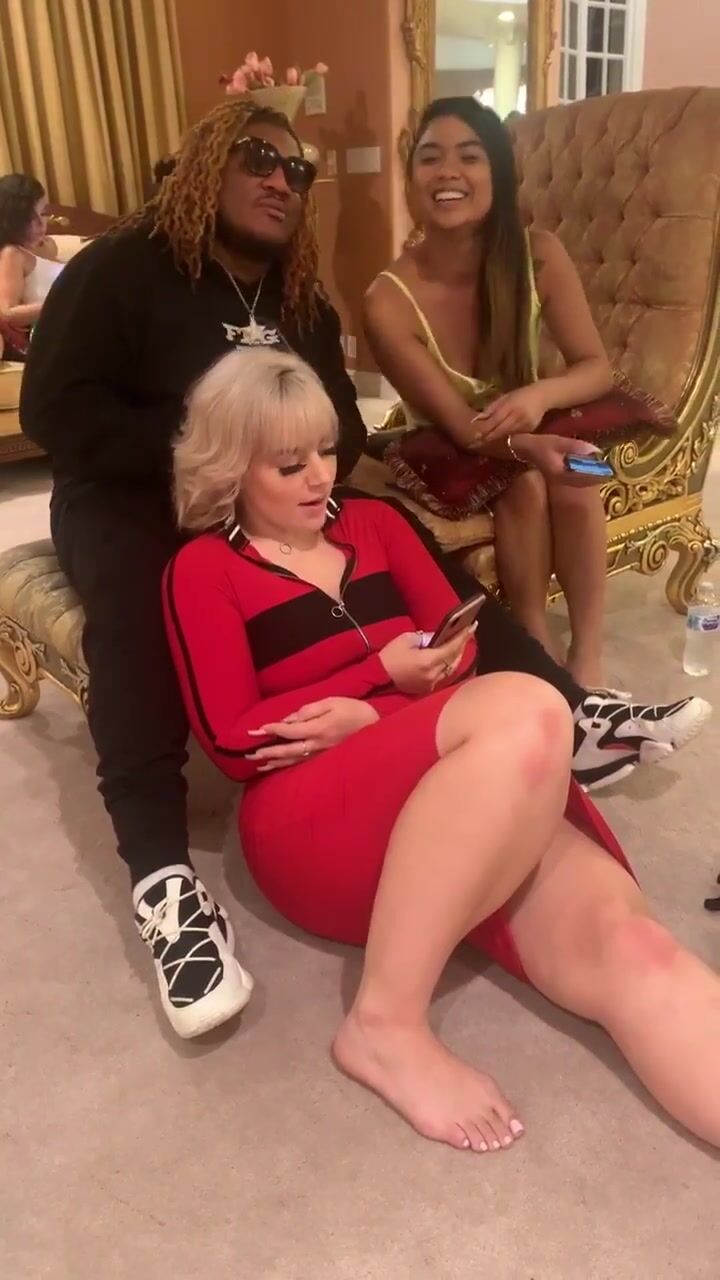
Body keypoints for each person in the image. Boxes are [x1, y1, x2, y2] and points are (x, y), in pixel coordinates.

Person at [19, 96, 709, 1040]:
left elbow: (340, 428)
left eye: (297, 171)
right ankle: (166, 884)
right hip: (132, 496)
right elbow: (56, 414)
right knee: (139, 608)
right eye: (259, 159)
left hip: (264, 493)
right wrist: (212, 448)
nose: (281, 181)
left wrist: (281, 467)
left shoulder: (300, 299)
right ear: (209, 163)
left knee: (392, 528)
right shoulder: (122, 268)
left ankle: (567, 709)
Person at [164, 348, 719, 1152]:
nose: (320, 477)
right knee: (533, 710)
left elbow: (462, 648)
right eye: (289, 465)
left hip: (461, 791)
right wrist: (373, 684)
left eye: (326, 451)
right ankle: (383, 1024)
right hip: (314, 825)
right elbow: (230, 740)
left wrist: (389, 700)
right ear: (231, 468)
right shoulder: (204, 570)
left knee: (632, 944)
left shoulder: (374, 523)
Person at [365, 97, 620, 687]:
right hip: (444, 441)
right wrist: (529, 446)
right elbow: (462, 427)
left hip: (525, 418)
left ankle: (588, 654)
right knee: (524, 483)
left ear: (498, 173)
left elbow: (596, 368)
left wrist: (539, 397)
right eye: (430, 157)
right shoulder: (387, 301)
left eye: (469, 156)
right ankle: (535, 642)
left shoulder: (539, 254)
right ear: (412, 177)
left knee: (579, 475)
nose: (448, 172)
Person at [0, 174, 63, 352]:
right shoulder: (12, 254)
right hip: (52, 336)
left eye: (43, 214)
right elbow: (6, 313)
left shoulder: (43, 249)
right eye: (29, 217)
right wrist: (66, 301)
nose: (40, 224)